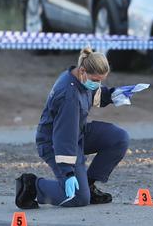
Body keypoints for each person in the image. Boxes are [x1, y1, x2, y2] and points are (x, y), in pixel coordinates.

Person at [15, 47, 130, 208]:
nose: (98, 84)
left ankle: (87, 185)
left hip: (77, 134)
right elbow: (63, 136)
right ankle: (33, 186)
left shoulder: (79, 78)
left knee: (119, 138)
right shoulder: (69, 96)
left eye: (101, 80)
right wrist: (67, 172)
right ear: (83, 71)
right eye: (96, 80)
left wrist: (113, 94)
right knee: (78, 198)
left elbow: (92, 94)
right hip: (55, 144)